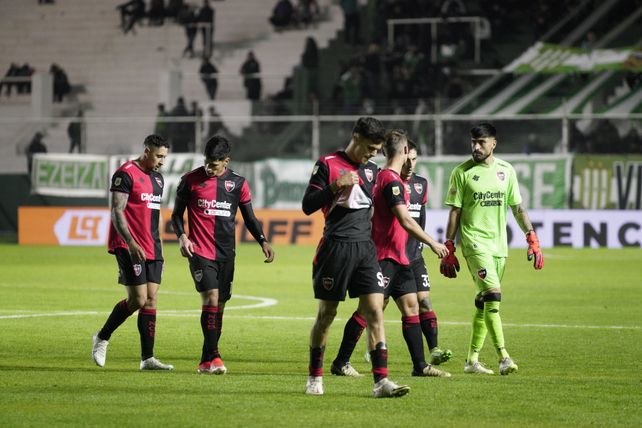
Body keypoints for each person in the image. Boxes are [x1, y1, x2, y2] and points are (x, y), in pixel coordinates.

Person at [302, 117, 410, 398]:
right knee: (327, 315)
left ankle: (381, 382)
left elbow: (372, 210)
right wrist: (336, 184)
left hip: (365, 250)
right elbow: (307, 206)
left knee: (375, 311)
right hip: (335, 248)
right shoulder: (327, 164)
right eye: (371, 148)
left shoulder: (373, 171)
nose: (374, 154)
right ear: (356, 137)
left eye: (377, 149)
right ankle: (315, 377)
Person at [331, 131, 451, 379]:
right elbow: (405, 219)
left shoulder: (387, 178)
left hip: (401, 258)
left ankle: (420, 366)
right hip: (383, 258)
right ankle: (341, 362)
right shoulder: (389, 180)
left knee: (411, 308)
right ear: (405, 151)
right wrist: (432, 243)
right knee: (367, 311)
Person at [440, 123, 544, 375]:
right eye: (473, 142)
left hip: (499, 246)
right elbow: (455, 211)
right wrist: (450, 246)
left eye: (481, 142)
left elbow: (517, 208)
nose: (475, 147)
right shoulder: (462, 172)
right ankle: (503, 357)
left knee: (483, 302)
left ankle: (471, 361)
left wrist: (531, 236)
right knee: (494, 295)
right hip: (474, 244)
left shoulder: (506, 171)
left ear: (493, 143)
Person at [171, 135, 275, 374]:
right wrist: (182, 236)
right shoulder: (189, 181)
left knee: (220, 306)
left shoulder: (238, 183)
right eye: (207, 162)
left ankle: (206, 360)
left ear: (226, 161)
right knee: (211, 298)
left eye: (214, 164)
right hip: (199, 251)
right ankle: (214, 357)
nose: (209, 167)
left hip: (227, 253)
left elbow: (249, 217)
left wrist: (262, 241)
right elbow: (176, 215)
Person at [91, 134, 174, 371]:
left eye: (164, 157)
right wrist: (130, 242)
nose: (161, 161)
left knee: (151, 298)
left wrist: (160, 250)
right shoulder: (125, 173)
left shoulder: (158, 179)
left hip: (152, 246)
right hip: (128, 245)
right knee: (138, 299)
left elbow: (154, 216)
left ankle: (147, 358)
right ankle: (102, 337)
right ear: (146, 151)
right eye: (159, 156)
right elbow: (117, 211)